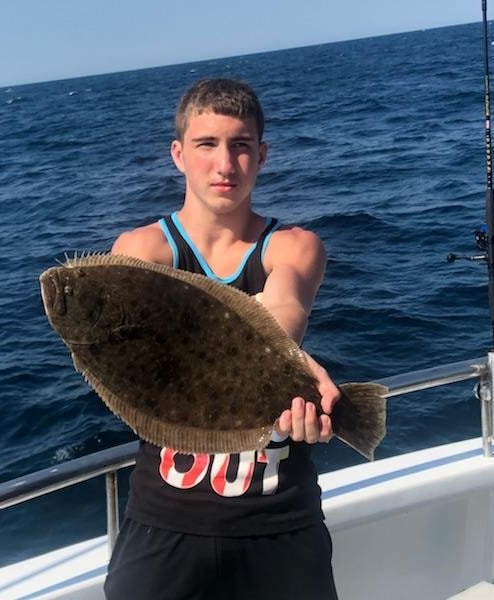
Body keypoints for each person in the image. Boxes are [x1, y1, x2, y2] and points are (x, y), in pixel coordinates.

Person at [104, 78, 341, 600]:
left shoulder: (294, 245)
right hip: (165, 518)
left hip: (280, 518)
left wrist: (284, 355)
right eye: (206, 144)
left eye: (240, 145)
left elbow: (284, 304)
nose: (225, 164)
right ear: (178, 154)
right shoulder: (142, 251)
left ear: (262, 154)